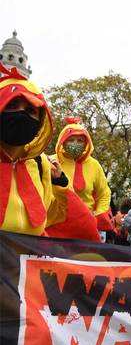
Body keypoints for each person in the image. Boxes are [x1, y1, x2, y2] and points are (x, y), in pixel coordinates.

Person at [0, 65, 70, 236]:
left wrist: (60, 184)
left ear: (39, 123)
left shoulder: (41, 164)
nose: (21, 113)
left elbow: (51, 217)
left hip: (25, 260)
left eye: (31, 110)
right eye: (12, 104)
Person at [54, 117, 113, 233]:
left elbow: (104, 193)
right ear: (63, 141)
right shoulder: (52, 162)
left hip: (85, 226)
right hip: (56, 226)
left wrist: (97, 216)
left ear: (86, 143)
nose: (75, 144)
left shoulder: (94, 165)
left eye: (80, 140)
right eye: (71, 140)